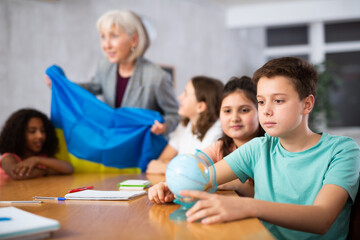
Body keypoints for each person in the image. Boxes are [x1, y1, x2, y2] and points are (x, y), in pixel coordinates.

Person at [148, 57, 360, 240]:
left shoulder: (343, 150)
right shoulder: (258, 148)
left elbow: (321, 218)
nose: (266, 111)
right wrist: (171, 187)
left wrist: (248, 206)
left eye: (278, 100)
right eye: (260, 101)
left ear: (307, 104)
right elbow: (205, 178)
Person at [45, 10, 179, 137]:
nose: (106, 45)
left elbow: (175, 114)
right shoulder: (104, 66)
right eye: (103, 37)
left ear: (134, 40)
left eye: (114, 36)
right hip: (113, 143)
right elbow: (94, 87)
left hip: (144, 149)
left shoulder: (157, 77)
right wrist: (62, 85)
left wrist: (164, 126)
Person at [146, 76, 223, 174]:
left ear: (200, 106)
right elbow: (161, 160)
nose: (179, 97)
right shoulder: (185, 125)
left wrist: (166, 167)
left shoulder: (217, 132)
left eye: (186, 94)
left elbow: (198, 171)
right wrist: (175, 167)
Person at [202, 76, 265, 197]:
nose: (235, 118)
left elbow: (272, 197)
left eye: (244, 110)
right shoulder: (219, 147)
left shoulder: (269, 148)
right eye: (227, 111)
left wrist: (236, 184)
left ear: (260, 111)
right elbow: (195, 163)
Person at [0, 108, 74, 179]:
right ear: (18, 134)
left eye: (43, 131)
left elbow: (69, 169)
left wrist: (36, 160)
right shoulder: (8, 158)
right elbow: (18, 175)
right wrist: (45, 171)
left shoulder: (42, 156)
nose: (40, 136)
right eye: (32, 131)